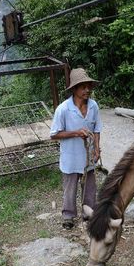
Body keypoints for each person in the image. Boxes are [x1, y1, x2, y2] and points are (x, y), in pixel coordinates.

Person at [50, 68, 102, 230]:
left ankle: (88, 213)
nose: (87, 90)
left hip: (88, 156)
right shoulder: (63, 109)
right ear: (74, 89)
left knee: (90, 187)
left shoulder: (93, 106)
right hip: (71, 157)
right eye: (83, 87)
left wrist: (97, 149)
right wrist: (75, 133)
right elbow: (54, 134)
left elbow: (97, 129)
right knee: (70, 188)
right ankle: (68, 216)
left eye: (89, 86)